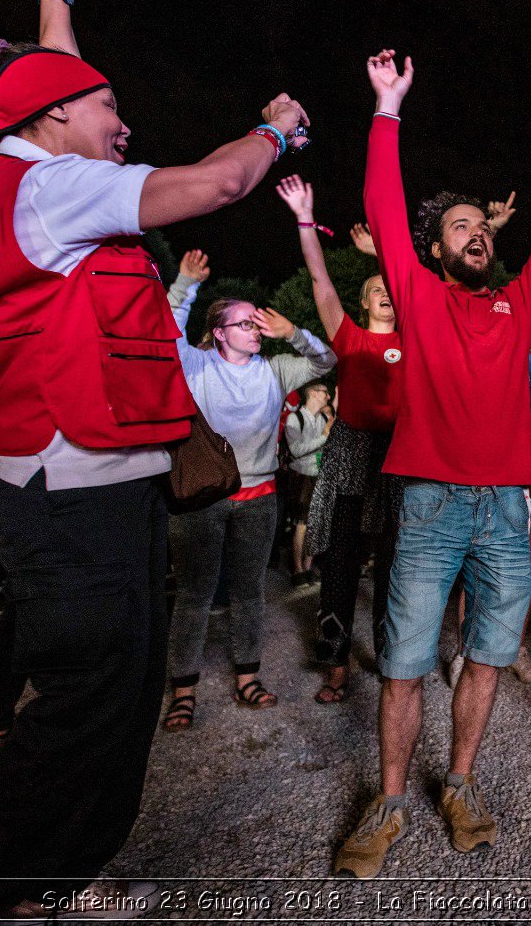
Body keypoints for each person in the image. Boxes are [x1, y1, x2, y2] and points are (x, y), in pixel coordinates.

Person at [0, 0, 311, 919]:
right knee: (81, 713)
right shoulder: (50, 189)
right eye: (106, 108)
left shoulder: (40, 169)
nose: (121, 120)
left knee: (120, 707)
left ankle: (51, 880)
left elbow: (62, 90)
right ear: (49, 121)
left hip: (103, 487)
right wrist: (274, 131)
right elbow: (219, 182)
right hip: (70, 496)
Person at [331, 50, 531, 878]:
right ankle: (387, 801)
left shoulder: (517, 306)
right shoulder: (416, 296)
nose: (478, 235)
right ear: (434, 250)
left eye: (482, 228)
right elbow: (382, 196)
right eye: (461, 228)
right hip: (431, 503)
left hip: (504, 507)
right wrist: (386, 107)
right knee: (408, 662)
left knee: (486, 654)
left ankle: (461, 781)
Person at [161, 248, 335, 729]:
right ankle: (183, 690)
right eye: (244, 325)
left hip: (259, 500)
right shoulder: (196, 365)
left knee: (249, 593)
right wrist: (186, 284)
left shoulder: (275, 370)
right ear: (219, 333)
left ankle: (247, 677)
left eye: (257, 325)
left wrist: (292, 333)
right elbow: (166, 332)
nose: (254, 331)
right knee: (195, 594)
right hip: (202, 500)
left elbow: (327, 358)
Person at [278, 176, 405, 706]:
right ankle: (334, 663)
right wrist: (306, 219)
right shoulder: (349, 336)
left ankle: (394, 658)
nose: (384, 292)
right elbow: (318, 279)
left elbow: (420, 286)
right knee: (341, 566)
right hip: (352, 451)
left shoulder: (413, 337)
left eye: (390, 287)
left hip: (398, 454)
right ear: (362, 299)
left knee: (397, 566)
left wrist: (385, 254)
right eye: (375, 286)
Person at [283, 380, 332, 582]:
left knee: (315, 523)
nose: (327, 397)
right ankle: (298, 569)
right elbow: (296, 449)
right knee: (301, 524)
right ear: (313, 394)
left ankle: (308, 566)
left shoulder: (322, 418)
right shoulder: (295, 419)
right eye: (324, 392)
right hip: (301, 476)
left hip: (317, 475)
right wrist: (324, 436)